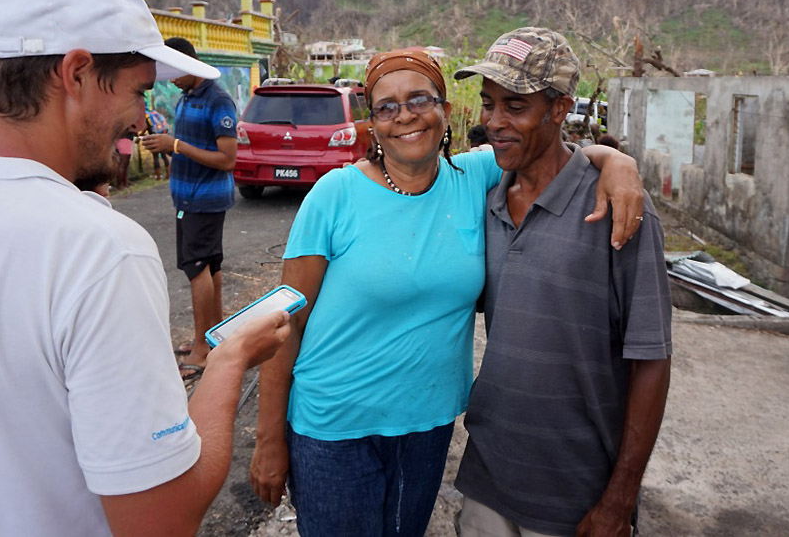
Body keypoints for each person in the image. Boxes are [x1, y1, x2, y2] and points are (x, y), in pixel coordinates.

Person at [0, 0, 290, 537]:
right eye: (137, 92)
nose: (140, 119)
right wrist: (229, 360)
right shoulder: (98, 250)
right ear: (75, 72)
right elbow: (162, 521)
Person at [250, 49, 646, 536]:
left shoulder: (475, 177)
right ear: (372, 123)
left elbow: (558, 154)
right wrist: (268, 438)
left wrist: (618, 162)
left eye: (419, 99)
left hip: (427, 424)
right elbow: (285, 321)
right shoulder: (335, 194)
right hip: (334, 428)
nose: (405, 116)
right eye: (387, 107)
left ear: (445, 109)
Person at [453, 28, 672, 537]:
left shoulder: (617, 208)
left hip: (577, 492)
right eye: (488, 104)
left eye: (515, 106)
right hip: (488, 475)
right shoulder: (486, 200)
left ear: (558, 109)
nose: (494, 122)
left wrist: (619, 499)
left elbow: (651, 359)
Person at [140, 37, 238, 382]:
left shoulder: (218, 100)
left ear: (187, 64)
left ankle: (201, 349)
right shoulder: (187, 97)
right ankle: (215, 334)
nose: (170, 80)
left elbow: (227, 159)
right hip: (187, 198)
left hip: (204, 199)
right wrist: (167, 146)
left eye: (172, 72)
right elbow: (192, 147)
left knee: (197, 267)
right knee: (210, 266)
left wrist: (177, 145)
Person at [146, 102, 172, 180]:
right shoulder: (154, 113)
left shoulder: (146, 116)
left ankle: (158, 176)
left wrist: (141, 134)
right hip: (161, 135)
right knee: (164, 156)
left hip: (153, 136)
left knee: (155, 157)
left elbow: (146, 127)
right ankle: (168, 174)